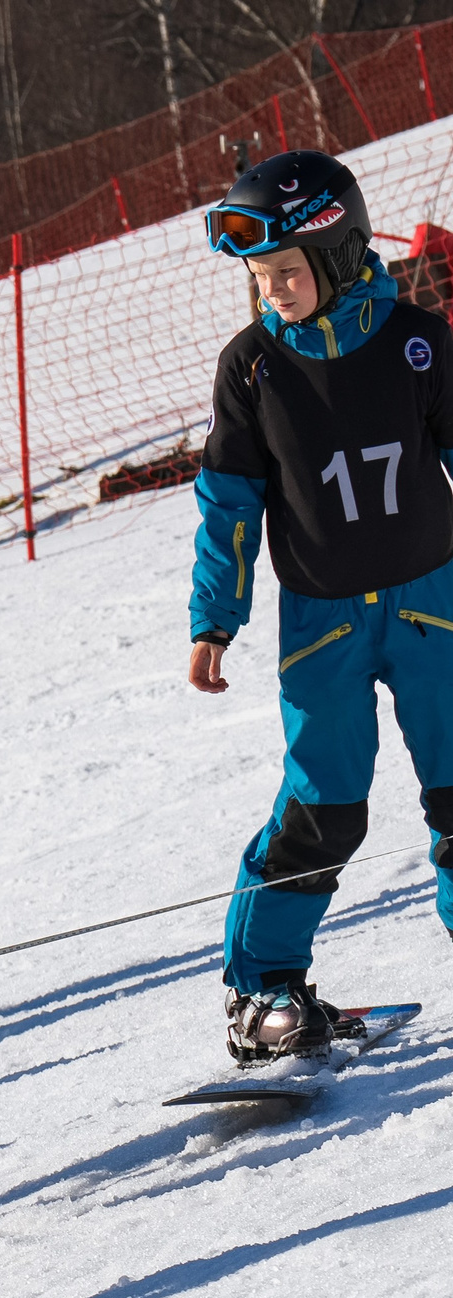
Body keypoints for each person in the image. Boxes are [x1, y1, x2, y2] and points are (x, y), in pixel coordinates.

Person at [193, 150, 453, 1060]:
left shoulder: (420, 343)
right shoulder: (253, 368)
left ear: (340, 254)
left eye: (286, 272)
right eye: (260, 278)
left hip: (434, 609)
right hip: (323, 626)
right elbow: (229, 501)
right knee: (328, 809)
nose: (273, 291)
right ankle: (263, 992)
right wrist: (213, 618)